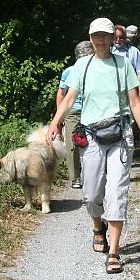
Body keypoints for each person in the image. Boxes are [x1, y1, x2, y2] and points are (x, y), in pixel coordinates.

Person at [46, 17, 140, 274]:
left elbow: (135, 102)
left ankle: (114, 252)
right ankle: (98, 226)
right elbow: (70, 97)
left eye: (105, 35)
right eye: (96, 35)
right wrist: (55, 123)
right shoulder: (81, 66)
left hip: (120, 134)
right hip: (92, 136)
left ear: (112, 37)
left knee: (116, 191)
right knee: (91, 194)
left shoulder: (123, 64)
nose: (101, 40)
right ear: (90, 37)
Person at [55, 40, 94, 189]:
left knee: (93, 142)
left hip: (92, 109)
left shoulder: (96, 69)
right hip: (73, 111)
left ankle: (94, 174)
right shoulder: (69, 71)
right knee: (72, 144)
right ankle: (75, 177)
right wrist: (60, 116)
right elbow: (61, 94)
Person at [111, 25, 140, 103]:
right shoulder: (108, 51)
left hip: (130, 91)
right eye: (115, 37)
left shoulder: (134, 51)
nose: (118, 40)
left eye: (121, 37)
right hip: (111, 92)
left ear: (125, 37)